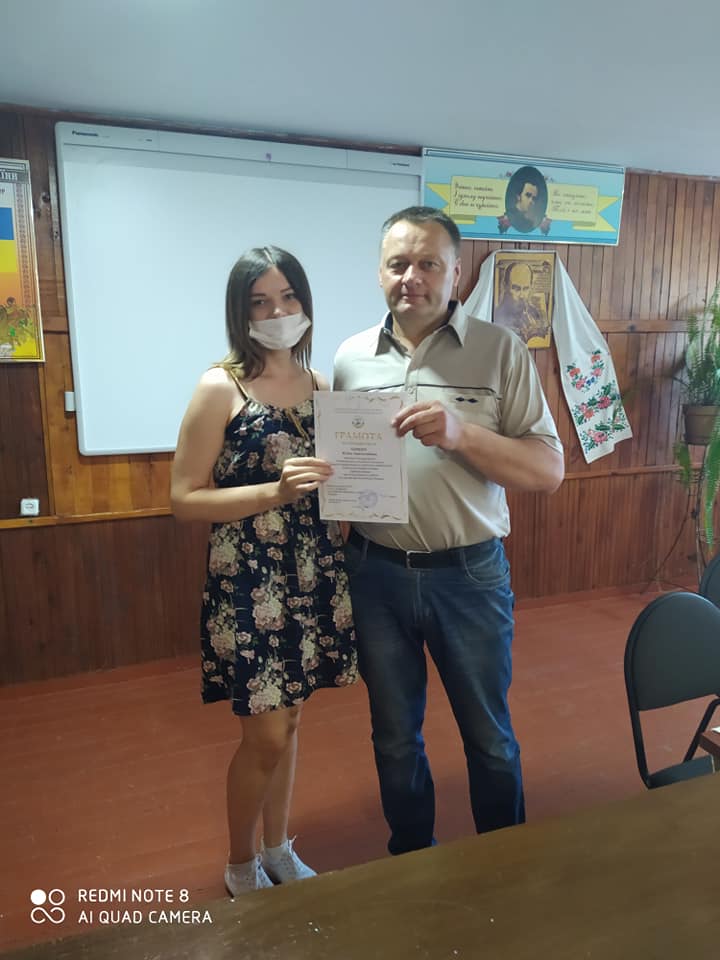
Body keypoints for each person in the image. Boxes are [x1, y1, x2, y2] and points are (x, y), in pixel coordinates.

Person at [333, 207, 564, 855]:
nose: (411, 277)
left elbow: (548, 470)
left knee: (489, 737)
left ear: (456, 273)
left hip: (468, 576)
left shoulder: (500, 350)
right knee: (393, 737)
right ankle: (411, 855)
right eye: (397, 264)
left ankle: (501, 861)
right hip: (374, 572)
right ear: (380, 273)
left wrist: (462, 434)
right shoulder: (350, 357)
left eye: (428, 264)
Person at [171, 246, 357, 895]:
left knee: (292, 720)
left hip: (313, 569)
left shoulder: (323, 388)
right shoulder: (220, 387)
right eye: (260, 302)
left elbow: (342, 482)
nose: (278, 313)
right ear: (240, 312)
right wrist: (272, 494)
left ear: (305, 302)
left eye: (288, 297)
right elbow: (184, 499)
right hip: (250, 579)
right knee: (266, 734)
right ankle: (239, 862)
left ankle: (278, 849)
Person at [493, 261, 548, 343]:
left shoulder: (535, 313)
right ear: (505, 286)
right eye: (516, 288)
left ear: (531, 287)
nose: (522, 295)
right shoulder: (497, 315)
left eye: (526, 289)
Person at [505, 166, 547, 233]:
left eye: (534, 198)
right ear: (518, 196)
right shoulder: (513, 216)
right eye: (528, 195)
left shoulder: (531, 219)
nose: (531, 201)